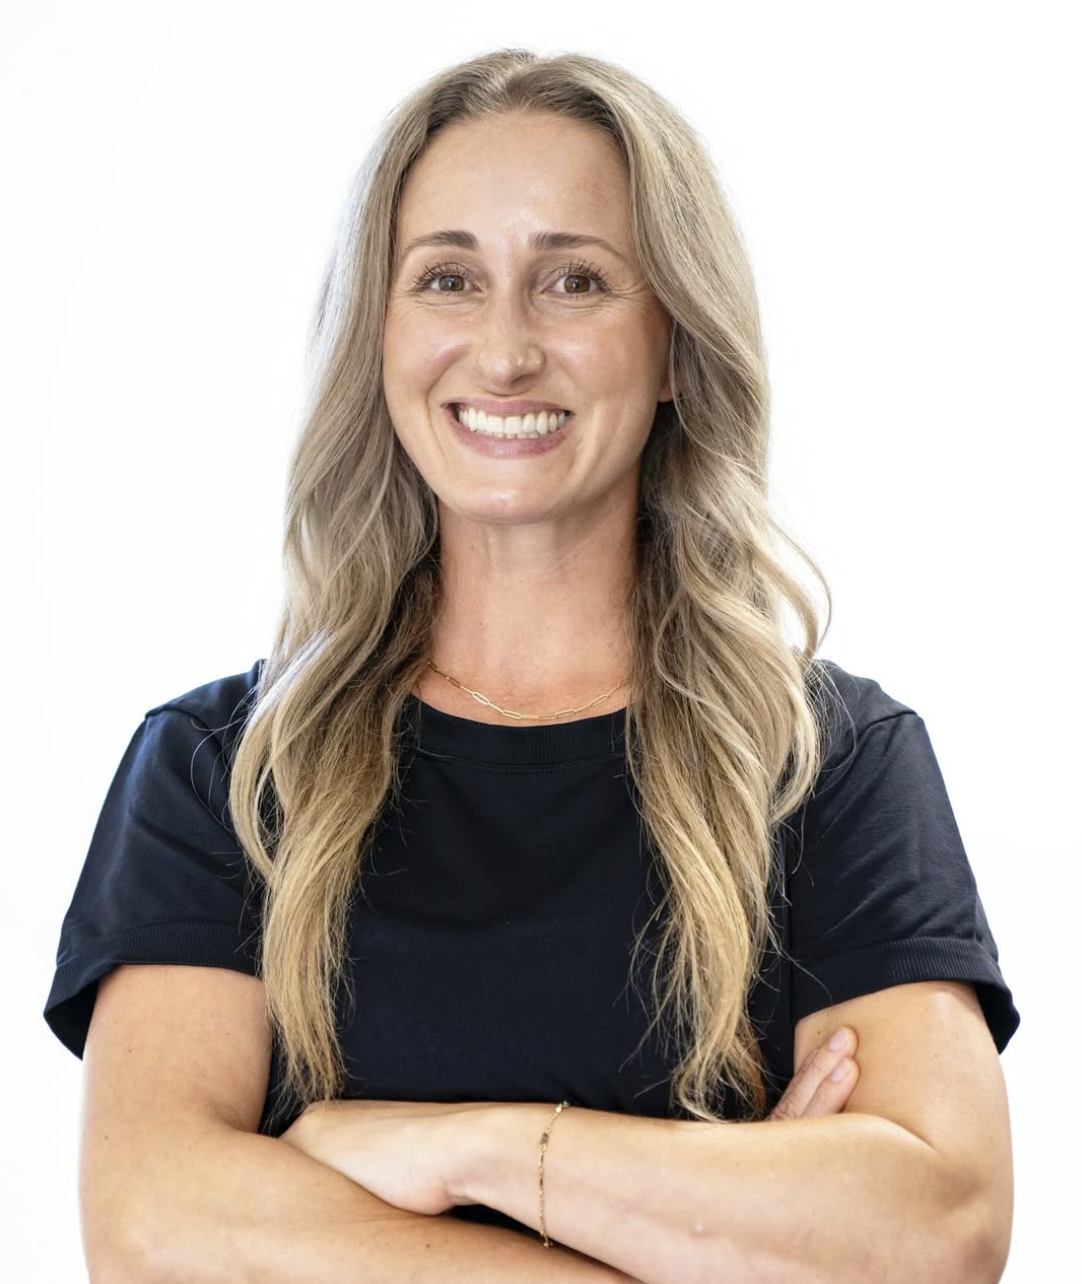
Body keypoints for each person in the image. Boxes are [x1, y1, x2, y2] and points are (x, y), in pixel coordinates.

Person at [44, 47, 1019, 1284]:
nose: (503, 351)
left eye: (574, 281)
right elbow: (152, 1228)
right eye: (447, 278)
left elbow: (934, 1230)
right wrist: (708, 1234)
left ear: (673, 348)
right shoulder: (220, 772)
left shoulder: (827, 766)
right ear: (379, 339)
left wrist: (463, 1151)